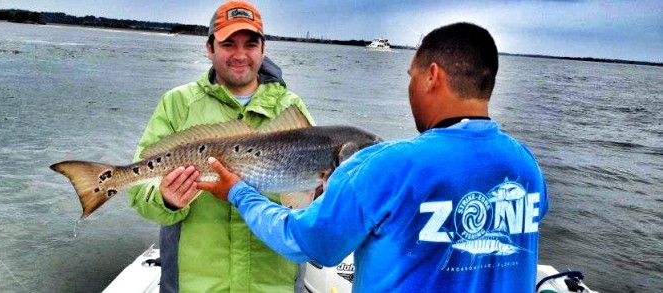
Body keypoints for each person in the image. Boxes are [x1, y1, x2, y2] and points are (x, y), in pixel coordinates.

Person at [198, 22, 549, 292]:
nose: (410, 88)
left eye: (411, 76)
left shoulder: (386, 165)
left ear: (432, 77)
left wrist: (237, 192)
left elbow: (304, 240)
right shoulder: (526, 166)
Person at [126, 1, 314, 292]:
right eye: (228, 44)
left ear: (263, 49)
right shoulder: (177, 104)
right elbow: (140, 194)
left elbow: (309, 205)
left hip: (273, 285)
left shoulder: (291, 108)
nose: (240, 55)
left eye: (250, 44)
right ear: (209, 48)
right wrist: (167, 201)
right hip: (195, 286)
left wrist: (321, 191)